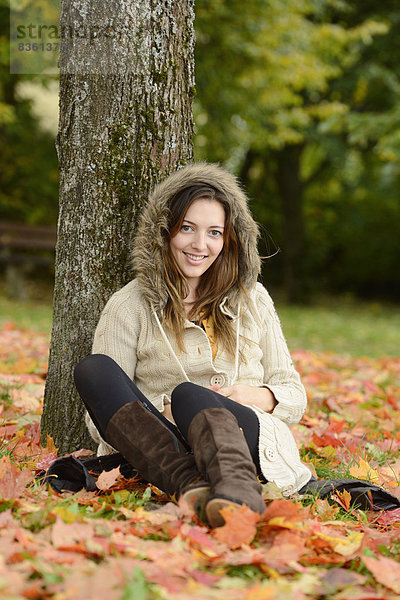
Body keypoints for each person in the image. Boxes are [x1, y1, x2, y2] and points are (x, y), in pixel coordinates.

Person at [74, 162, 312, 528]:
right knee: (93, 369)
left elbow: (294, 395)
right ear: (164, 233)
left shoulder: (253, 299)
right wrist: (162, 413)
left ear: (229, 239)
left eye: (214, 232)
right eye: (187, 228)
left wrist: (253, 396)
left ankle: (238, 496)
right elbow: (98, 420)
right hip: (163, 441)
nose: (200, 245)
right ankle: (192, 486)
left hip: (242, 438)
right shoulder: (128, 306)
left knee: (191, 395)